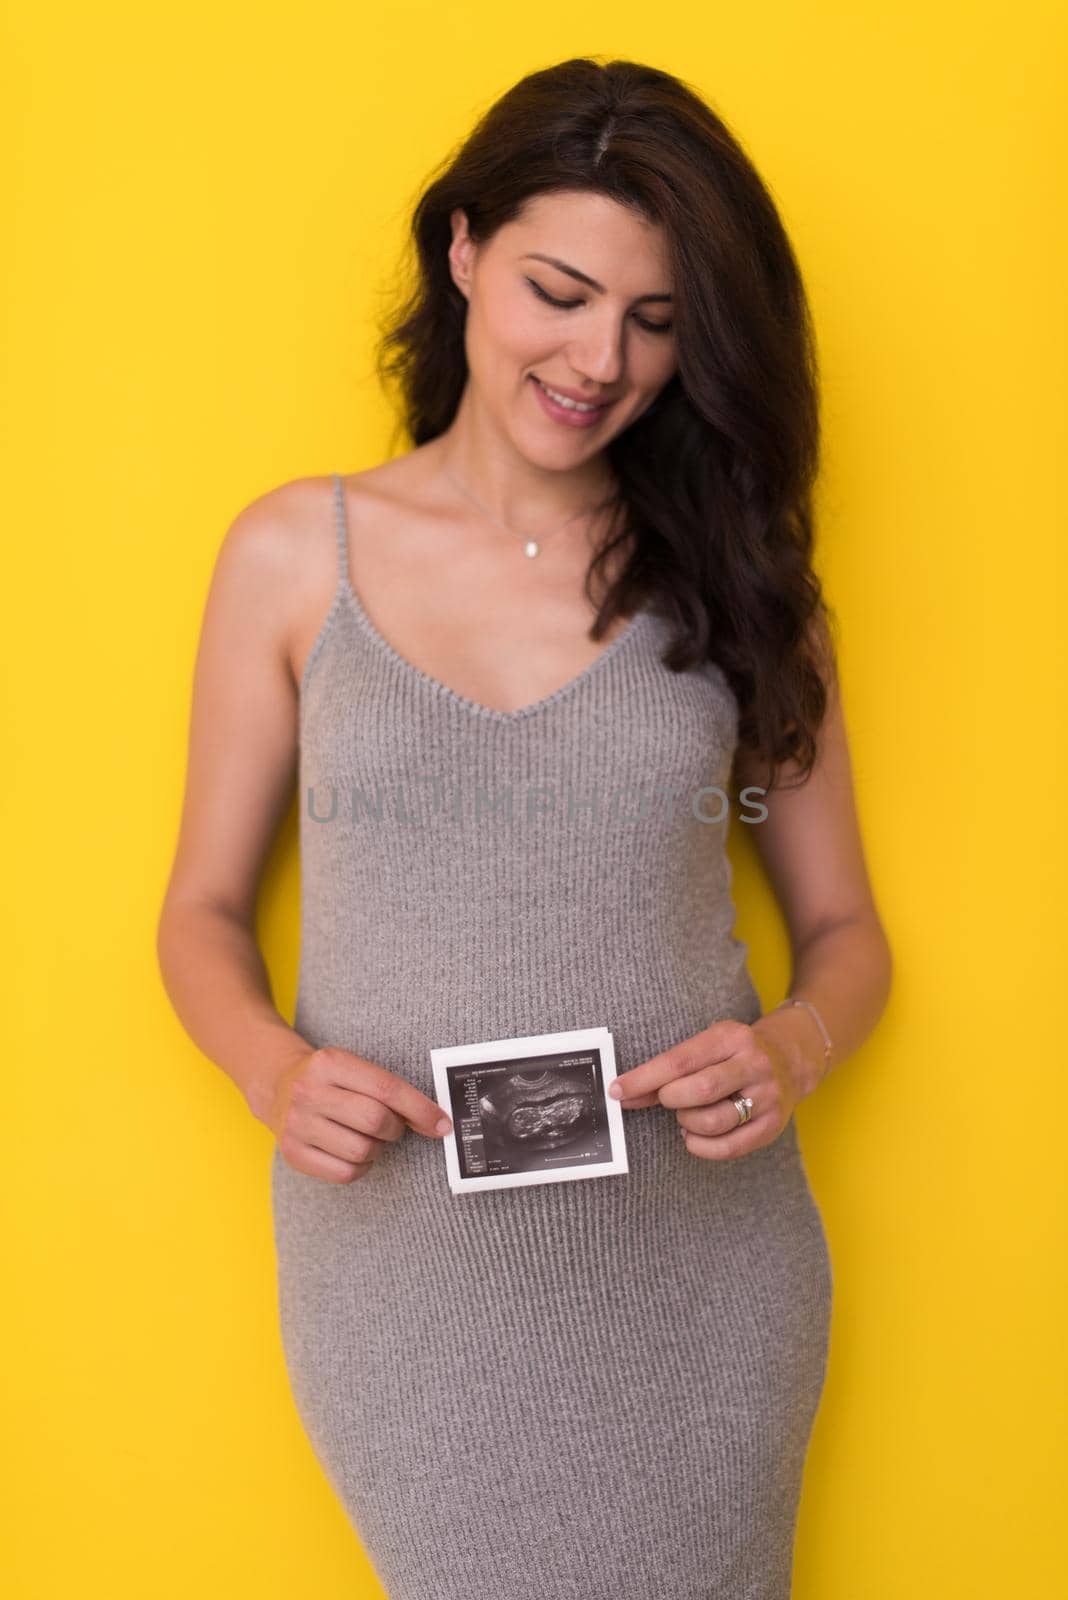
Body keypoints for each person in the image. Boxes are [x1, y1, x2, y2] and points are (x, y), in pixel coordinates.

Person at [157, 55, 892, 1600]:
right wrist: (272, 1068)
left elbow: (845, 938)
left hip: (699, 1268)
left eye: (655, 319)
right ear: (467, 250)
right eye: (560, 290)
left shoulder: (743, 587)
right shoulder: (298, 558)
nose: (596, 358)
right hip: (405, 1270)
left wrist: (793, 1049)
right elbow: (200, 912)